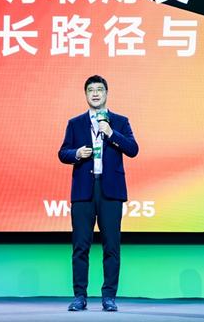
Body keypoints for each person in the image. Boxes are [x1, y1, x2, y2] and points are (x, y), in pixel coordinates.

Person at [58, 75, 139, 312]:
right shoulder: (75, 123)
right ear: (86, 95)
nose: (95, 93)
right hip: (84, 190)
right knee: (80, 246)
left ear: (106, 94)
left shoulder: (120, 122)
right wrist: (76, 154)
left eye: (99, 90)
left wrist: (111, 133)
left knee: (111, 246)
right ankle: (79, 297)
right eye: (91, 90)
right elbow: (62, 152)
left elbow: (133, 149)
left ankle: (109, 297)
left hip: (110, 190)